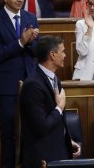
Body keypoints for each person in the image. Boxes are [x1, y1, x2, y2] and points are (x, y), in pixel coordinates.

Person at [0, 0, 39, 167]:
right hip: (7, 86)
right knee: (8, 134)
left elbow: (36, 51)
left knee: (31, 132)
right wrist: (21, 42)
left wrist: (31, 43)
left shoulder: (31, 18)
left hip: (30, 83)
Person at [20, 35, 81, 167]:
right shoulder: (33, 85)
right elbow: (41, 126)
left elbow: (57, 122)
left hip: (57, 151)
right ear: (52, 55)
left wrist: (66, 140)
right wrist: (59, 108)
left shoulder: (54, 78)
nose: (65, 55)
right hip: (42, 157)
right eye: (63, 51)